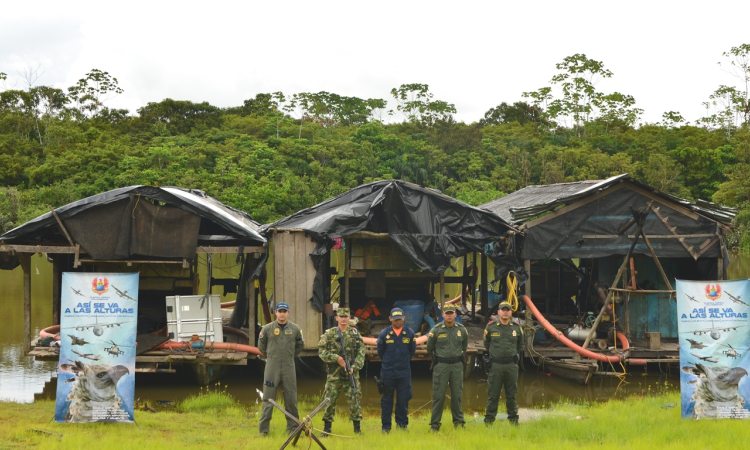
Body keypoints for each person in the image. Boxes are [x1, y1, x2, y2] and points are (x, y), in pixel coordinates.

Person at [257, 302, 305, 436]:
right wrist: (272, 356)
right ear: (275, 313)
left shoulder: (295, 329)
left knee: (290, 397)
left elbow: (300, 345)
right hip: (272, 365)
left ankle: (293, 429)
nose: (282, 314)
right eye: (280, 311)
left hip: (289, 365)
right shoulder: (266, 329)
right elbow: (261, 346)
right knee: (268, 398)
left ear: (288, 313)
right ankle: (263, 430)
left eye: (285, 311)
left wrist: (290, 355)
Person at [318, 307, 366, 436]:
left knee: (355, 399)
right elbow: (321, 351)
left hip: (351, 373)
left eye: (346, 317)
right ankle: (326, 429)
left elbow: (361, 354)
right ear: (337, 318)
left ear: (349, 318)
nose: (344, 319)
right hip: (334, 374)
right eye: (341, 316)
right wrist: (336, 358)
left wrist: (353, 367)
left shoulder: (355, 334)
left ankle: (357, 429)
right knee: (329, 400)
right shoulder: (329, 334)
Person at [426, 303, 468, 431]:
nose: (449, 315)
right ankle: (435, 424)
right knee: (438, 396)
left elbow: (464, 346)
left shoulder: (462, 329)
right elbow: (429, 347)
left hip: (456, 366)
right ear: (443, 315)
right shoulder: (436, 330)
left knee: (457, 395)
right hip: (442, 366)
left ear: (455, 314)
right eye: (447, 313)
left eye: (451, 313)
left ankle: (459, 422)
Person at [483, 301, 524, 426]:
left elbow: (520, 344)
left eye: (508, 310)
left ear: (511, 312)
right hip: (496, 366)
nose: (505, 312)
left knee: (511, 394)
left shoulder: (516, 327)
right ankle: (489, 422)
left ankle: (513, 420)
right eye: (503, 310)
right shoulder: (490, 326)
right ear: (498, 312)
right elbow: (486, 344)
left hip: (511, 366)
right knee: (493, 395)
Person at [377, 307, 417, 433]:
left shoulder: (410, 333)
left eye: (400, 319)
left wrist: (403, 362)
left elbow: (412, 351)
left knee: (403, 400)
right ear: (390, 319)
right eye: (395, 320)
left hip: (404, 372)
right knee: (387, 400)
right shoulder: (384, 333)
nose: (397, 322)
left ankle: (402, 425)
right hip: (388, 372)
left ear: (403, 318)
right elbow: (380, 351)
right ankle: (386, 427)